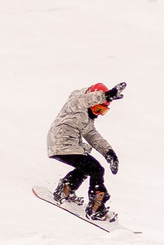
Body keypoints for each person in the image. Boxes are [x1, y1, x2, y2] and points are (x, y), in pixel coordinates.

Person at [45, 81, 126, 221]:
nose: (99, 114)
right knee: (96, 169)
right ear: (93, 101)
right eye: (98, 109)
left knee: (87, 168)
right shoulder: (76, 103)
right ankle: (96, 208)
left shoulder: (86, 119)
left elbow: (92, 135)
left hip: (66, 145)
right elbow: (85, 100)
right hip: (62, 142)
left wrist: (109, 152)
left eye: (103, 112)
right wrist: (107, 95)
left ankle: (65, 190)